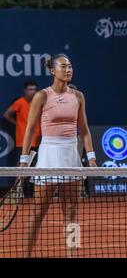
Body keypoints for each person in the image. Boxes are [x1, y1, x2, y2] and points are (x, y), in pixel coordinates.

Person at [20, 54, 97, 258]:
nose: (68, 69)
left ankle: (72, 255)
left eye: (70, 66)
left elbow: (85, 130)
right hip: (48, 156)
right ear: (53, 71)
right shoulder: (42, 96)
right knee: (38, 212)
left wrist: (91, 158)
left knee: (71, 213)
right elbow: (29, 130)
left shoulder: (78, 96)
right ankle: (26, 255)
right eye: (63, 66)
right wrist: (23, 162)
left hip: (71, 155)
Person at [3, 80, 41, 164]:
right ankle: (19, 178)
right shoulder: (19, 102)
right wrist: (18, 124)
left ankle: (32, 178)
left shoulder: (39, 102)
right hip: (22, 140)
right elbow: (7, 115)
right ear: (25, 90)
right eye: (30, 89)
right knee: (21, 164)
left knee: (36, 164)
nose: (32, 92)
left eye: (34, 90)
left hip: (37, 139)